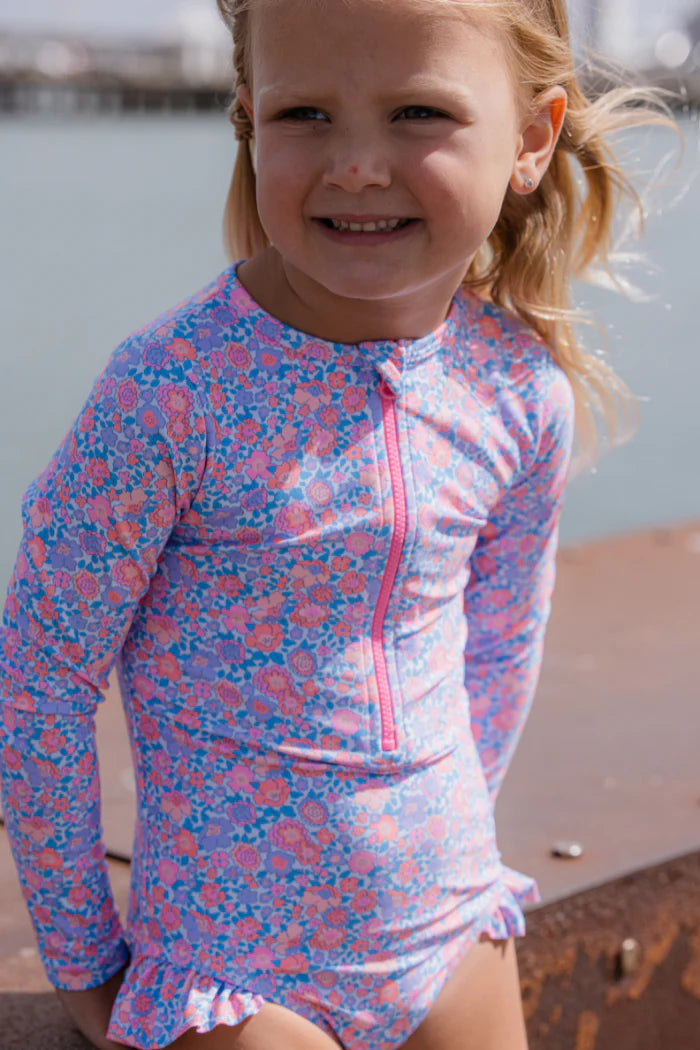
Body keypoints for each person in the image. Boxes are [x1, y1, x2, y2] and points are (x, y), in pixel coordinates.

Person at [0, 1, 674, 1048]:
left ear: (531, 140)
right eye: (304, 113)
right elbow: (40, 678)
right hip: (234, 975)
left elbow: (499, 649)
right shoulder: (169, 395)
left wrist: (441, 854)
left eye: (418, 112)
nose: (356, 165)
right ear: (248, 119)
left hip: (452, 936)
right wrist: (83, 954)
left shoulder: (515, 391)